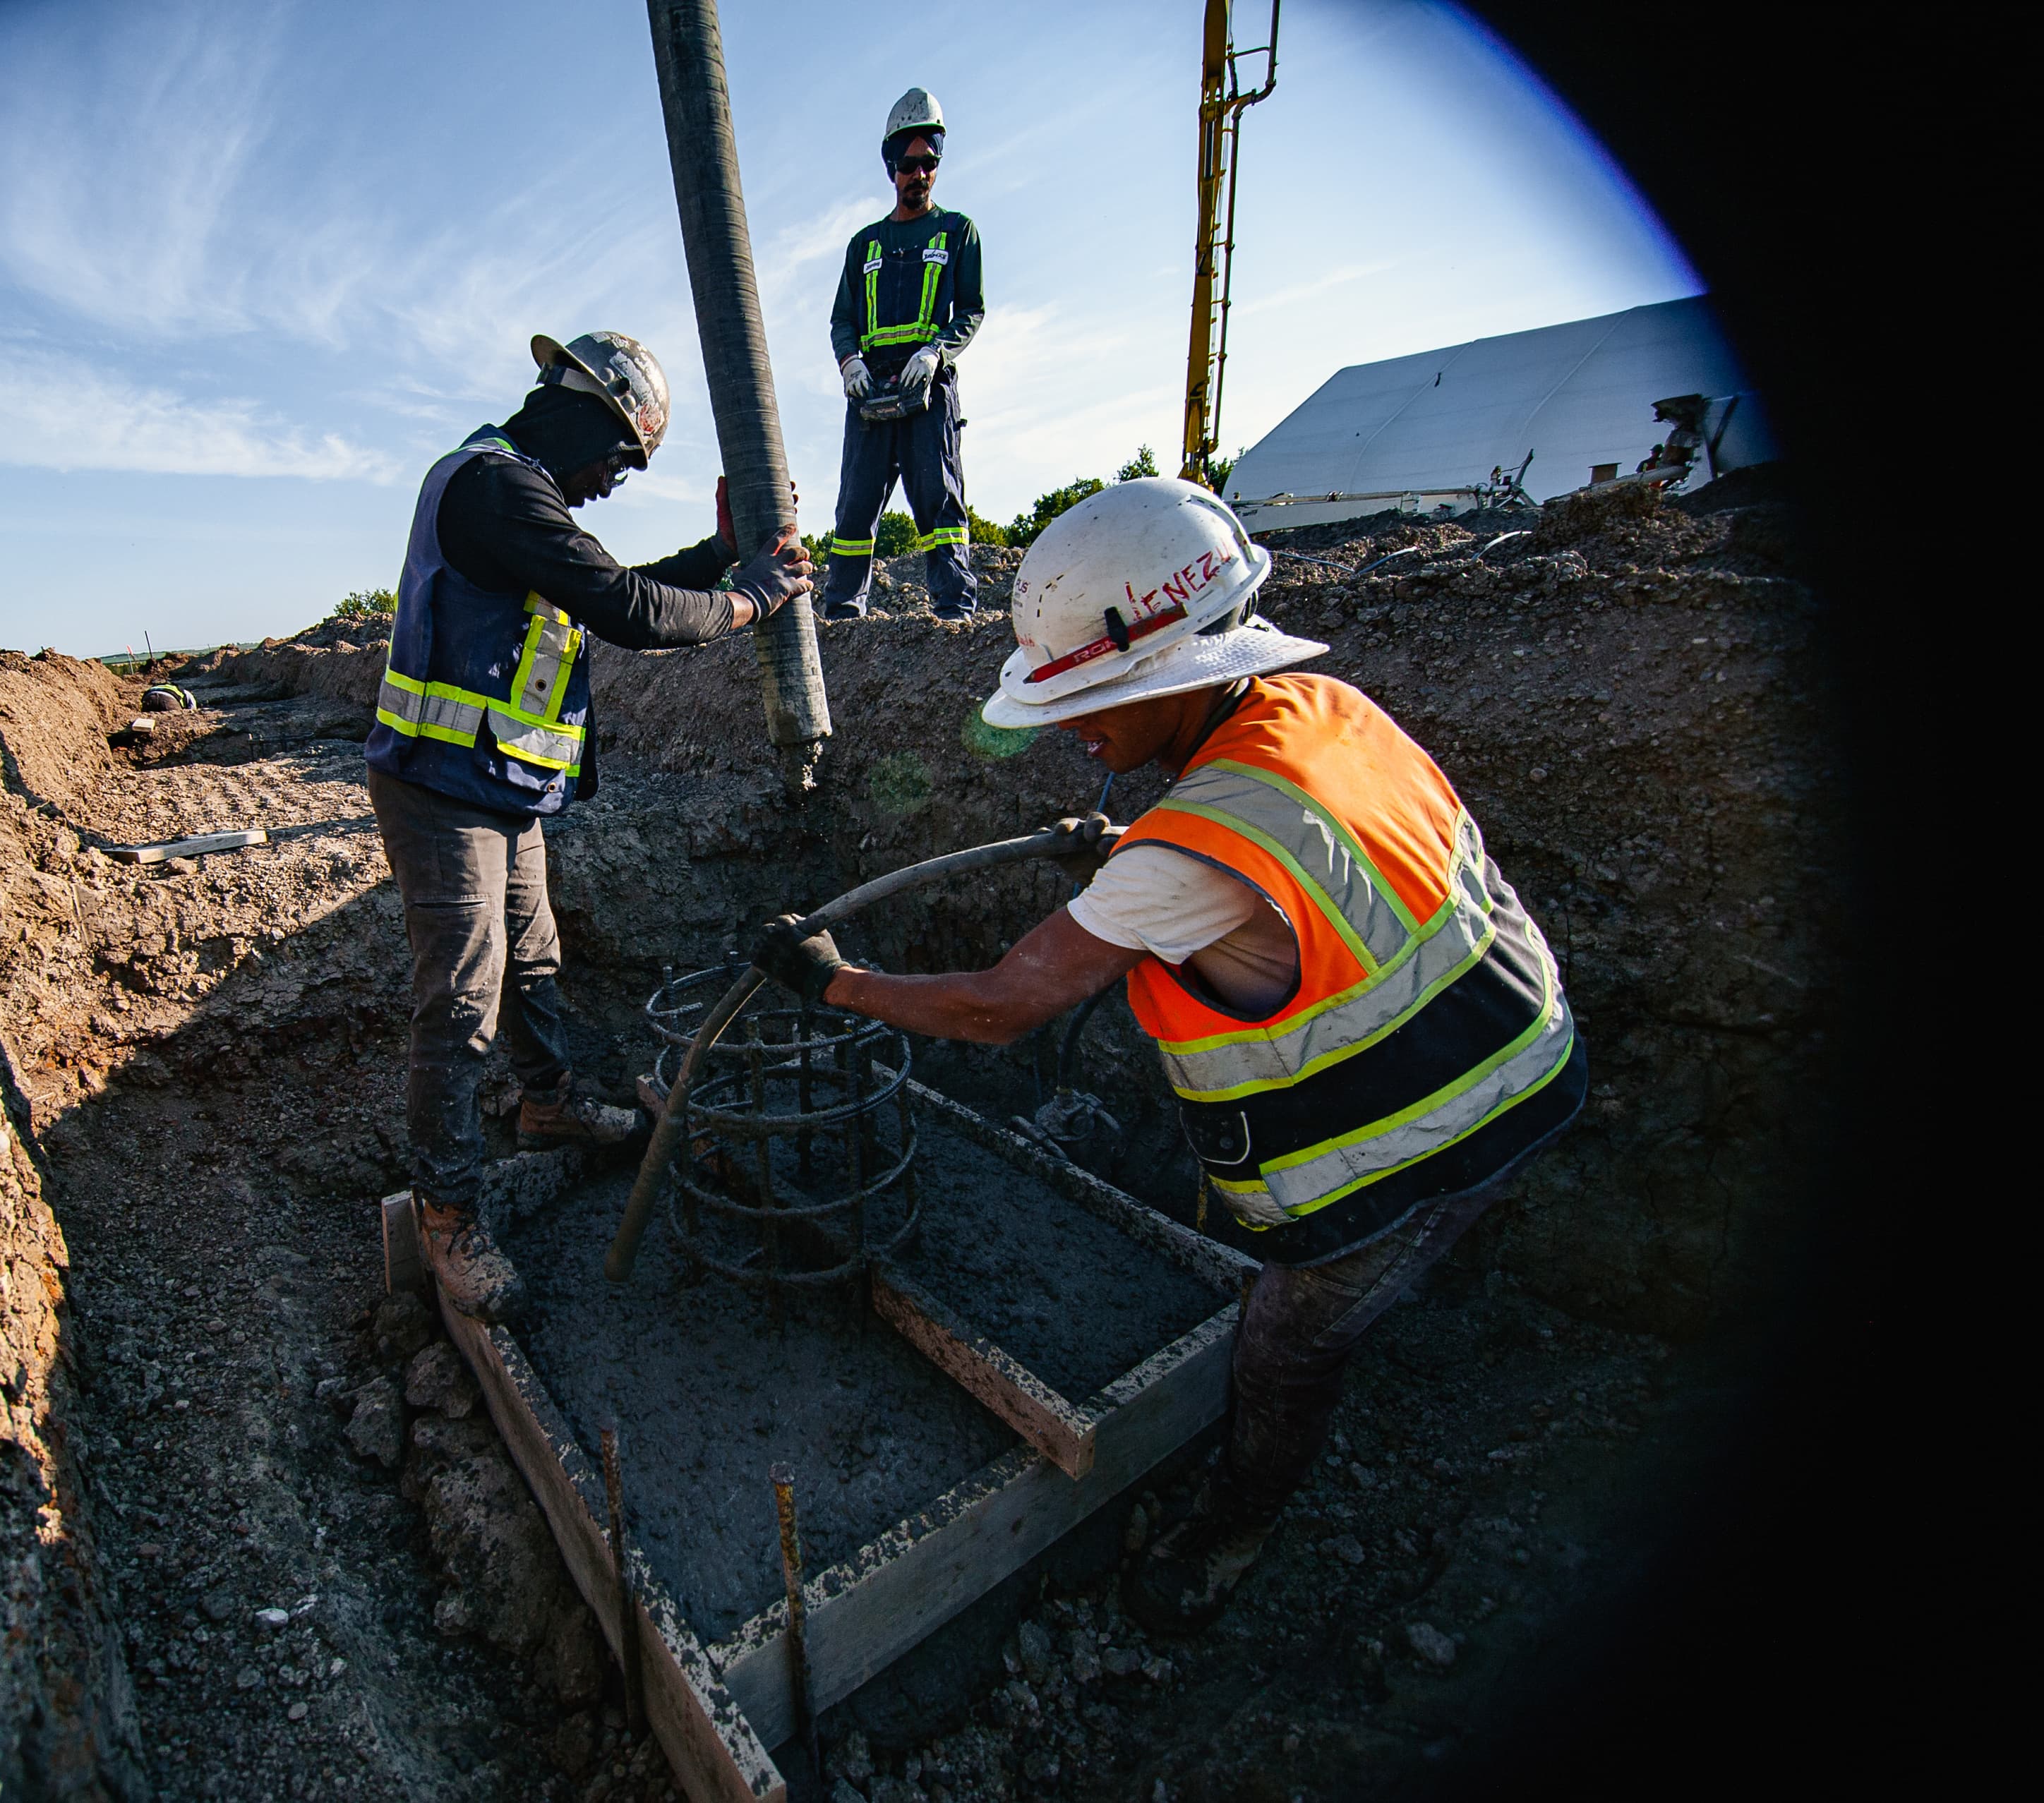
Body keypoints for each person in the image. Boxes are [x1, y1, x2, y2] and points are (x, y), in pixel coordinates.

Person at [752, 476, 1586, 1632]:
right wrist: (1140, 853)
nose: (1071, 727)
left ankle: (1227, 1535)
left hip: (1440, 1122)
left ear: (1178, 668)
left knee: (1286, 1346)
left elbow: (1000, 1006)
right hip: (1524, 1040)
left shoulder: (1186, 857)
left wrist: (832, 980)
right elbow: (1280, 849)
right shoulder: (1323, 710)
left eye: (1094, 697)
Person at [369, 330, 815, 1322]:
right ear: (582, 412)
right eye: (622, 457)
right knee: (463, 1000)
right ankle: (449, 1213)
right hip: (441, 789)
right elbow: (625, 606)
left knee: (534, 956)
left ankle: (550, 1103)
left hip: (494, 783)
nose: (615, 482)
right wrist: (751, 597)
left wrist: (723, 556)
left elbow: (604, 586)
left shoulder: (522, 495)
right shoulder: (495, 487)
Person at [822, 87, 986, 622]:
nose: (919, 174)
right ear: (891, 166)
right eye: (909, 164)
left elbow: (971, 310)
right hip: (871, 389)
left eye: (929, 164)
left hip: (926, 389)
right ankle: (843, 616)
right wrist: (850, 361)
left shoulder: (957, 231)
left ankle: (954, 612)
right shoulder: (864, 245)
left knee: (939, 501)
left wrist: (937, 352)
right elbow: (843, 319)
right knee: (855, 507)